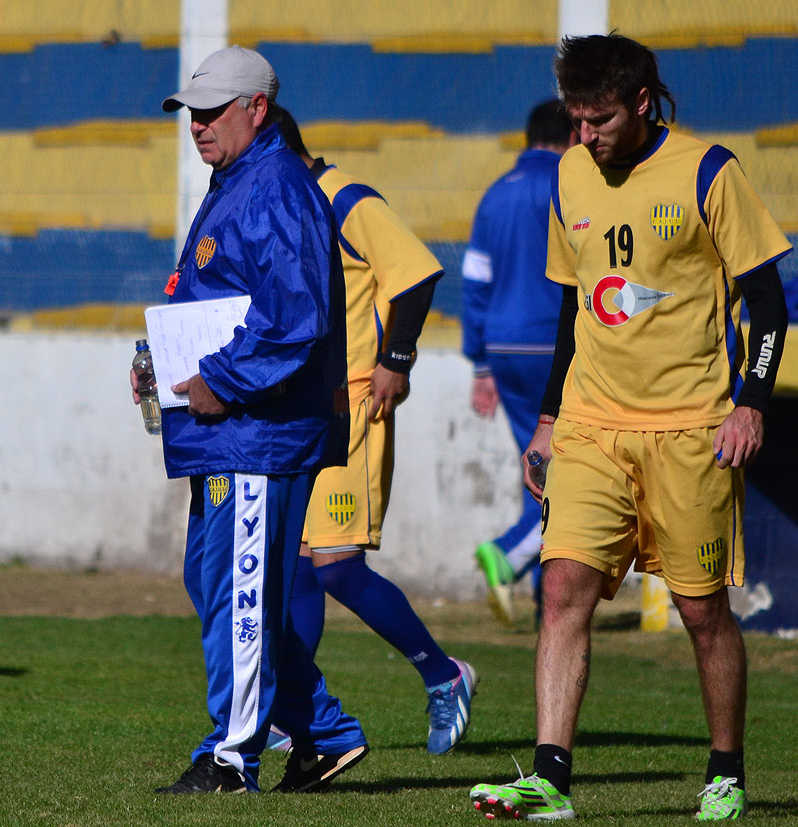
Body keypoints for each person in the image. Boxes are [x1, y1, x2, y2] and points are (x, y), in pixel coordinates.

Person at [469, 34, 790, 821]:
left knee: (701, 609)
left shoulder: (711, 172)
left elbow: (771, 305)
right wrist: (547, 419)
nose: (586, 135)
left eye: (601, 118)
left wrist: (753, 400)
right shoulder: (569, 173)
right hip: (589, 424)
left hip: (690, 430)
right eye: (576, 119)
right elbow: (574, 312)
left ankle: (725, 771)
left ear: (643, 103)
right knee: (563, 586)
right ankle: (549, 777)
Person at [149, 46, 368, 795]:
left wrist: (219, 378)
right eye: (190, 113)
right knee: (219, 586)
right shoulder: (238, 180)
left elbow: (294, 320)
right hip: (228, 430)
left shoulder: (273, 185)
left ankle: (233, 754)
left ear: (257, 109)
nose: (198, 126)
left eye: (211, 112)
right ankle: (325, 732)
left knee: (239, 591)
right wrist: (164, 364)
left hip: (258, 433)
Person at [274, 112, 476, 756]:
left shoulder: (344, 197)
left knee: (333, 567)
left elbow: (416, 274)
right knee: (298, 572)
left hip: (351, 404)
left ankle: (443, 673)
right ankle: (291, 711)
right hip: (299, 411)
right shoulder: (278, 202)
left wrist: (396, 360)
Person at [464, 100, 577, 626]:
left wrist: (481, 365)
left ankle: (543, 603)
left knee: (541, 471)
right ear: (571, 136)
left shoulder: (494, 193)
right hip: (553, 344)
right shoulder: (569, 182)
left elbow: (475, 282)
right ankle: (509, 553)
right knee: (569, 475)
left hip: (504, 346)